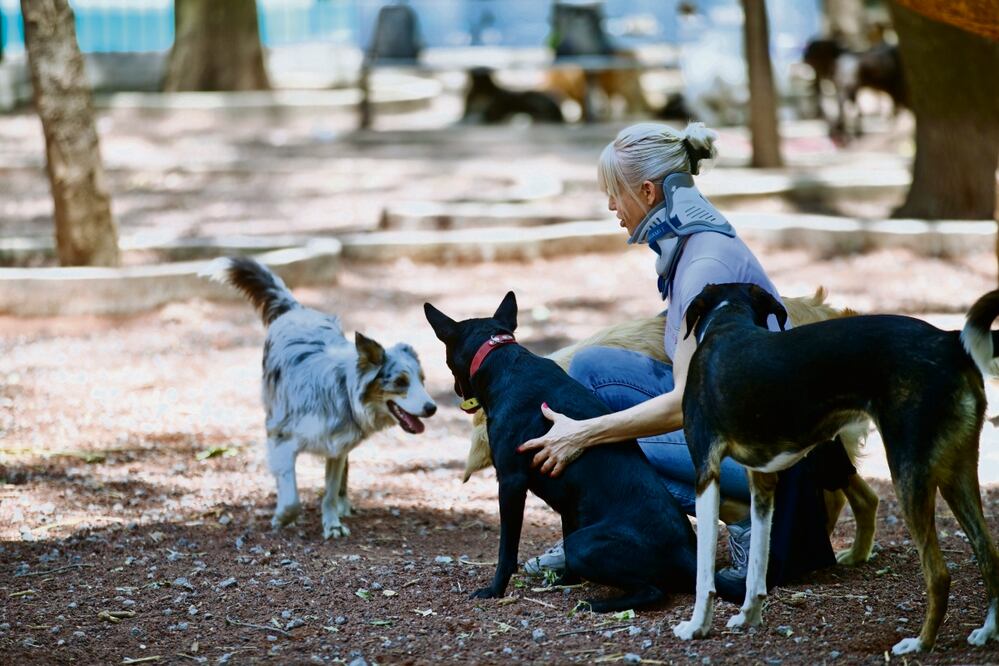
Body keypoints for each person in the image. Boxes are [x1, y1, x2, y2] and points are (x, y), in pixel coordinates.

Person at [518, 122, 857, 593]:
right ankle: (600, 530)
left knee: (606, 444)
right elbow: (694, 382)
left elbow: (682, 404)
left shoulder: (703, 265)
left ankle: (742, 520)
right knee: (591, 370)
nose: (612, 207)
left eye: (615, 194)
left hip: (770, 449)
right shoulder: (691, 245)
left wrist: (586, 434)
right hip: (739, 408)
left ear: (647, 190)